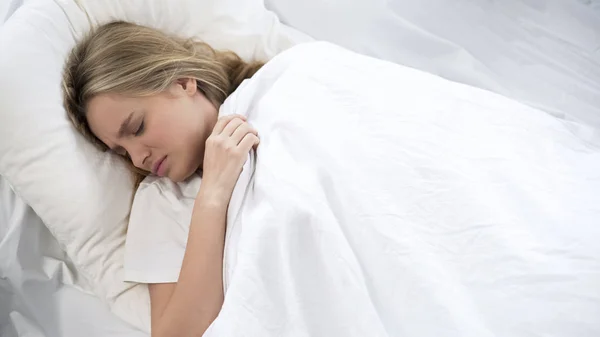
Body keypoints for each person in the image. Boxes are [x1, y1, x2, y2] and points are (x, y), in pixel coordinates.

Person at [62, 21, 262, 337]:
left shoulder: (272, 88)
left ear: (183, 82)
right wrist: (213, 194)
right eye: (122, 152)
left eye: (137, 127)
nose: (138, 158)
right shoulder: (162, 201)